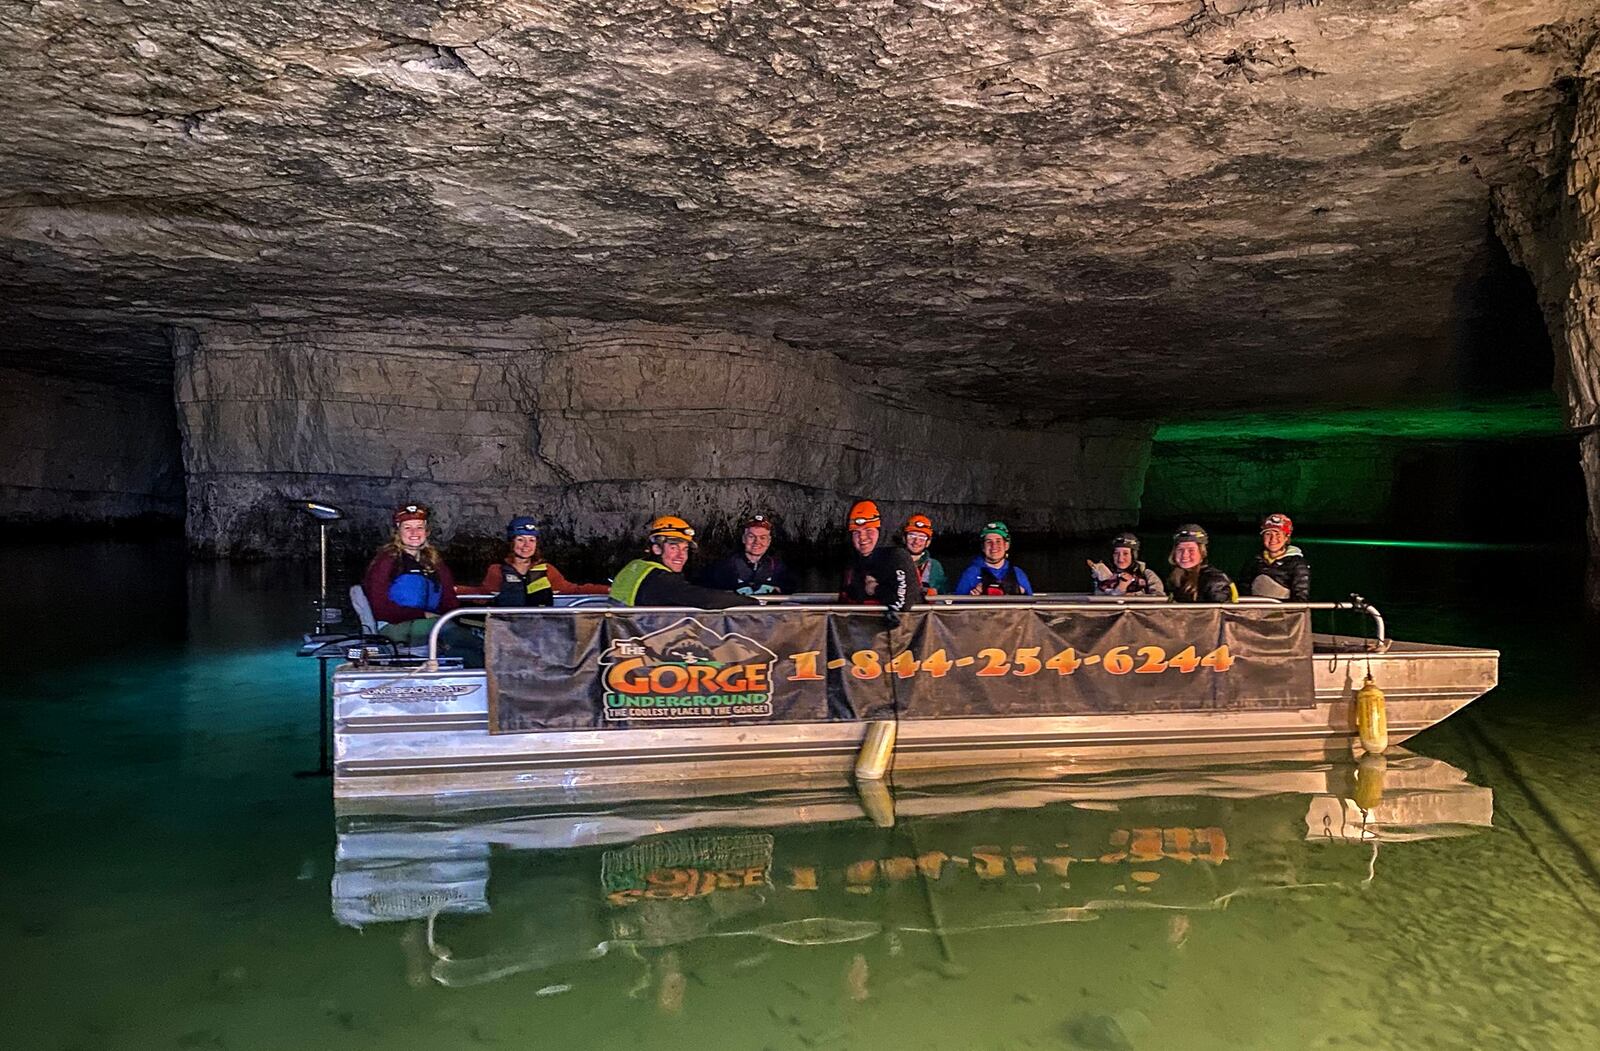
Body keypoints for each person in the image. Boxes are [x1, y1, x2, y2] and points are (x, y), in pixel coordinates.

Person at [361, 503, 483, 664]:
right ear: (398, 532)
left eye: (419, 527)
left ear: (426, 531)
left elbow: (449, 600)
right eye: (407, 528)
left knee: (469, 649)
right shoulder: (387, 561)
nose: (414, 533)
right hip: (394, 626)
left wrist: (442, 615)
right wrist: (423, 614)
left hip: (431, 623)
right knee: (468, 642)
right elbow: (380, 608)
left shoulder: (434, 562)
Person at [611, 515, 760, 609]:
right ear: (656, 549)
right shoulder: (659, 579)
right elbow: (705, 599)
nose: (681, 555)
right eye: (674, 547)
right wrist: (751, 603)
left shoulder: (635, 567)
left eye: (685, 549)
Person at [475, 516, 609, 607]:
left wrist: (609, 590)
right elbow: (482, 594)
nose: (526, 546)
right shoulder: (496, 571)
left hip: (540, 629)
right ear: (512, 543)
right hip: (507, 628)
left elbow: (574, 590)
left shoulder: (547, 570)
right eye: (520, 540)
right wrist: (455, 589)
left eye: (531, 540)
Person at [837, 500, 919, 612]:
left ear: (880, 532)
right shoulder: (853, 561)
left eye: (869, 530)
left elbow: (903, 604)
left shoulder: (897, 558)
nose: (862, 537)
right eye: (856, 532)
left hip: (895, 627)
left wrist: (874, 589)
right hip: (859, 625)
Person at [699, 513, 797, 596]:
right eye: (751, 536)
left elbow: (792, 591)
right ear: (744, 539)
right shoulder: (725, 567)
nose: (757, 542)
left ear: (769, 541)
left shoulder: (778, 568)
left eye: (762, 538)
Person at [1238, 512, 1311, 600]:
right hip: (1255, 612)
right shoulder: (1254, 562)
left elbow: (1301, 597)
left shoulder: (1297, 564)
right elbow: (1243, 590)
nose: (1273, 539)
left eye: (1278, 534)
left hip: (1283, 612)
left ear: (1286, 537)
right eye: (1268, 534)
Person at [954, 521, 1034, 596]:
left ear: (1006, 545)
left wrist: (1020, 592)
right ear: (983, 547)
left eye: (998, 541)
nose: (994, 546)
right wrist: (971, 597)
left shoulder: (1018, 574)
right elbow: (957, 605)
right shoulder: (971, 574)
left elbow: (1031, 604)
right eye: (989, 542)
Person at [1166, 524, 1237, 603]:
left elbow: (1223, 613)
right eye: (1180, 550)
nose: (1185, 555)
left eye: (1191, 550)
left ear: (1202, 553)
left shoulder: (1215, 580)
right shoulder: (1178, 577)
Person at [1088, 532, 1165, 596]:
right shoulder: (1105, 576)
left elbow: (1159, 599)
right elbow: (1098, 599)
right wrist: (1120, 588)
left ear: (1133, 555)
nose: (1120, 559)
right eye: (1116, 553)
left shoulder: (1147, 574)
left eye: (1125, 554)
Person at [901, 512, 948, 597]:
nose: (916, 541)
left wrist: (935, 593)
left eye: (922, 537)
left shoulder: (935, 566)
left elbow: (944, 595)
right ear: (904, 538)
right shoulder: (892, 561)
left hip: (925, 609)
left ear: (928, 542)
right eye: (912, 536)